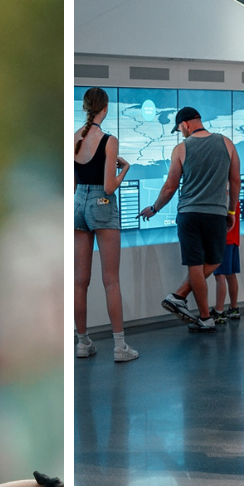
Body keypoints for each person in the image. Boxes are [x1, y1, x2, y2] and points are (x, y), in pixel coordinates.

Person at [139, 107, 240, 333]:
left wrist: (155, 208)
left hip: (189, 214)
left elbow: (170, 187)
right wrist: (231, 212)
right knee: (213, 261)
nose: (181, 133)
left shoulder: (181, 149)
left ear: (185, 124)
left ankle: (190, 305)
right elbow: (235, 181)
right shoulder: (227, 144)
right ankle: (191, 306)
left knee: (196, 263)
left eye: (179, 129)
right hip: (216, 213)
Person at [72, 88, 137, 363]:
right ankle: (120, 346)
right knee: (111, 280)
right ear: (105, 108)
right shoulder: (109, 140)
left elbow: (74, 183)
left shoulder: (74, 137)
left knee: (79, 280)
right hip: (102, 204)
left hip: (78, 204)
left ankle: (83, 342)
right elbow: (109, 187)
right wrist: (125, 169)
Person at [210, 191, 243, 321]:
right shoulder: (234, 199)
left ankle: (219, 311)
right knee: (230, 275)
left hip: (223, 241)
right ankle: (233, 308)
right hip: (233, 240)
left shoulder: (222, 199)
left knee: (220, 276)